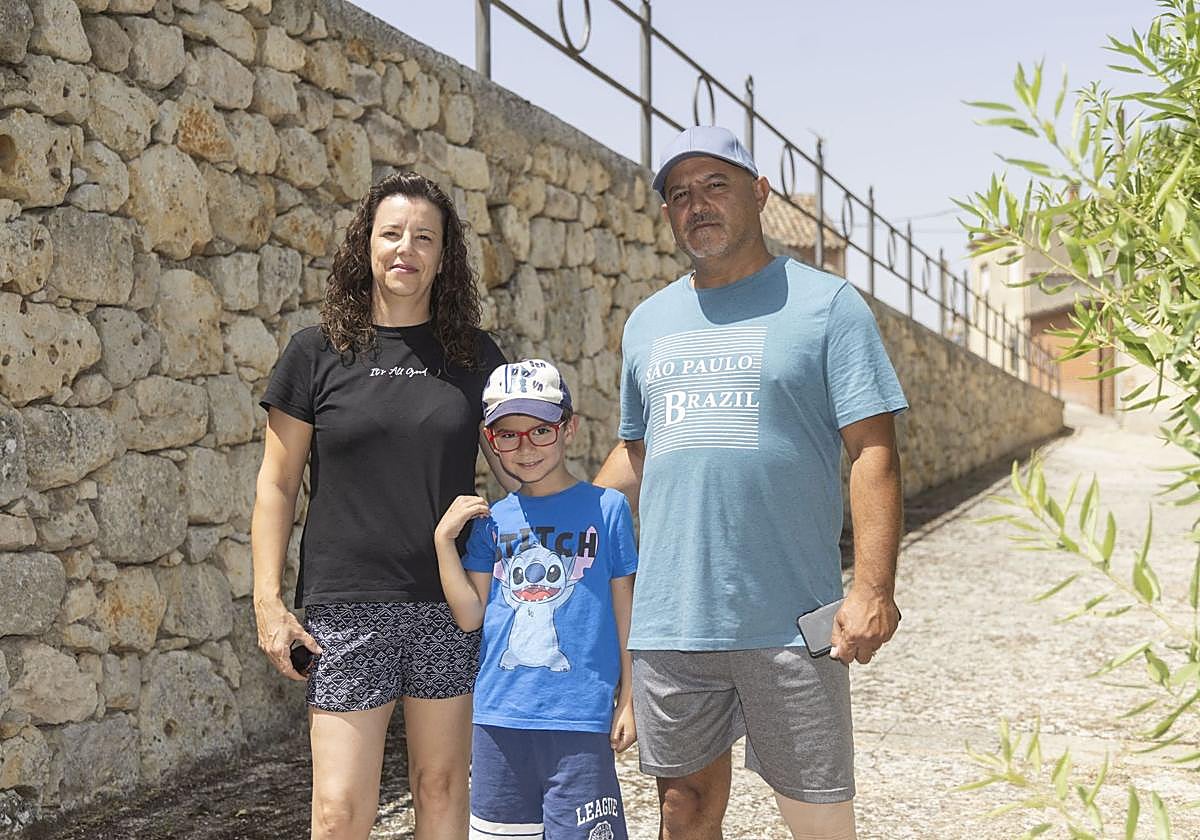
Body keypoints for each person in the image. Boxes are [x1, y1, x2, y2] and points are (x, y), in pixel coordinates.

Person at [595, 126, 908, 840]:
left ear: (760, 193)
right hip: (673, 619)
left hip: (792, 618)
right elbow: (638, 451)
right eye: (679, 195)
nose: (696, 205)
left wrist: (873, 588)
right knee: (684, 809)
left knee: (819, 817)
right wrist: (558, 517)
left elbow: (873, 452)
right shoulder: (648, 323)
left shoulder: (828, 306)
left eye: (715, 186)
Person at [251, 171, 515, 840]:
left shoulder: (476, 359)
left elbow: (525, 464)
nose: (407, 249)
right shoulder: (315, 354)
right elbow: (276, 484)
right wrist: (267, 601)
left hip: (448, 606)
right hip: (346, 608)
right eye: (392, 233)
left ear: (444, 254)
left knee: (441, 789)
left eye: (424, 237)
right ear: (365, 245)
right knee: (338, 812)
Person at [434, 358, 639, 840]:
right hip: (497, 720)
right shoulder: (491, 521)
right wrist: (445, 542)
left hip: (580, 720)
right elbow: (470, 617)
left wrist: (630, 697)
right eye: (508, 434)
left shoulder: (607, 509)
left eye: (540, 430)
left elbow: (625, 610)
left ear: (569, 429)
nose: (525, 447)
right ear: (491, 441)